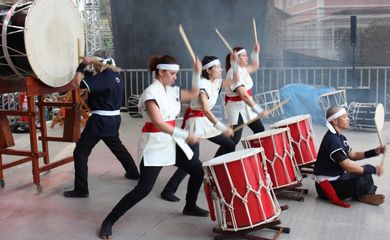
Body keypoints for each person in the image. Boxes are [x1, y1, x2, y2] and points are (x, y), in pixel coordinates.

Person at [99, 55, 209, 239]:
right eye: (172, 73)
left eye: (176, 74)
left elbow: (194, 93)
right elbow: (158, 123)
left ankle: (190, 206)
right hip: (155, 143)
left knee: (198, 170)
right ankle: (109, 220)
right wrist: (186, 134)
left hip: (172, 142)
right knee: (143, 189)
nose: (175, 77)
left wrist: (197, 73)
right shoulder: (151, 94)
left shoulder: (172, 91)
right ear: (161, 72)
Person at [160, 54, 239, 202]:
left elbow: (235, 80)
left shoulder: (216, 82)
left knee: (229, 145)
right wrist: (223, 127)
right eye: (217, 67)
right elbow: (206, 110)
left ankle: (213, 173)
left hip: (205, 122)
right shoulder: (202, 85)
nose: (220, 69)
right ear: (208, 70)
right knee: (192, 159)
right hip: (196, 121)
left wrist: (234, 63)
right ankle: (168, 190)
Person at [63, 50, 139, 198]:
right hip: (114, 119)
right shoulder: (115, 75)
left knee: (80, 152)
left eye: (94, 65)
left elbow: (76, 82)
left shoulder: (103, 78)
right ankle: (133, 172)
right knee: (117, 147)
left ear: (99, 64)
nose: (94, 68)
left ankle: (81, 190)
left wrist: (82, 65)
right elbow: (101, 90)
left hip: (100, 121)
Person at [314, 105, 386, 206]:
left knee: (365, 175)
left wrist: (375, 152)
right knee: (361, 180)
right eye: (344, 117)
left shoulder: (340, 137)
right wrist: (374, 169)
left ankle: (367, 195)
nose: (348, 119)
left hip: (339, 177)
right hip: (327, 186)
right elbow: (348, 167)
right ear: (335, 121)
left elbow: (353, 155)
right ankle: (362, 194)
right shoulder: (331, 140)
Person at [223, 40, 268, 149]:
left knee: (259, 130)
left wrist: (256, 52)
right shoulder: (234, 72)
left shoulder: (242, 69)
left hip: (246, 106)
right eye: (244, 56)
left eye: (247, 55)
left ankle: (255, 156)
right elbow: (244, 95)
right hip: (237, 109)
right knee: (233, 140)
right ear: (236, 58)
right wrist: (259, 110)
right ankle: (217, 162)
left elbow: (255, 66)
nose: (247, 57)